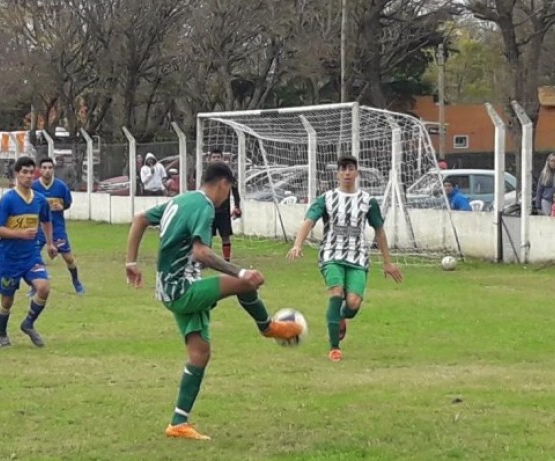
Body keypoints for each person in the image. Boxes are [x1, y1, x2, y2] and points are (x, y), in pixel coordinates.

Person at [125, 161, 302, 441]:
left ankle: (178, 423)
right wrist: (240, 272)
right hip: (182, 289)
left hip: (169, 289)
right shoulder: (205, 206)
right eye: (229, 190)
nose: (226, 197)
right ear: (223, 184)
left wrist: (131, 262)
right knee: (246, 282)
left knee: (200, 353)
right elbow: (201, 252)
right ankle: (268, 327)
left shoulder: (181, 200)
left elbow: (139, 219)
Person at [287, 155, 403, 362]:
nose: (347, 173)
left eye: (350, 168)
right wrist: (297, 244)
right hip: (331, 254)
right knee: (336, 291)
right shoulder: (327, 198)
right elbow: (309, 221)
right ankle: (334, 348)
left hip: (357, 257)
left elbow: (379, 231)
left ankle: (341, 316)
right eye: (343, 169)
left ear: (357, 172)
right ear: (337, 174)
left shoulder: (368, 201)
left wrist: (387, 262)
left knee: (353, 303)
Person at [0, 156, 58, 348]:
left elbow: (46, 221)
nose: (29, 176)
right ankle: (2, 333)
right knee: (7, 301)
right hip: (9, 258)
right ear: (16, 174)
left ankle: (28, 323)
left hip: (31, 256)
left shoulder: (39, 200)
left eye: (31, 172)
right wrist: (20, 233)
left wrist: (50, 243)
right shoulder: (8, 200)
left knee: (43, 287)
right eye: (25, 172)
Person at [32, 157, 85, 294]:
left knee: (69, 258)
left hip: (57, 228)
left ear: (53, 170)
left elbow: (67, 203)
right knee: (32, 256)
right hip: (38, 228)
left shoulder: (61, 187)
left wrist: (62, 207)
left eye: (50, 168)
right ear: (39, 170)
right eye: (44, 168)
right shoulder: (33, 187)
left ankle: (76, 281)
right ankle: (35, 286)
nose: (47, 170)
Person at [207, 149, 241, 261]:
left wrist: (237, 206)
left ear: (222, 159)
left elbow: (235, 190)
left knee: (225, 236)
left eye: (218, 157)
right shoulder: (206, 174)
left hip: (224, 211)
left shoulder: (228, 174)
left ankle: (227, 260)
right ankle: (206, 259)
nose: (216, 159)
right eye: (214, 157)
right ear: (209, 159)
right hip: (209, 210)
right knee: (207, 236)